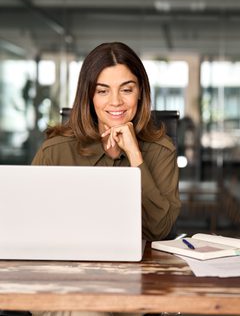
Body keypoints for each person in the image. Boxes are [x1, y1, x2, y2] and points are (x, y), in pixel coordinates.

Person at [31, 41, 181, 242]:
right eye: (103, 91)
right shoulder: (54, 151)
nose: (116, 101)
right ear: (89, 96)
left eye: (126, 90)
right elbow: (30, 222)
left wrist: (135, 156)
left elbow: (158, 230)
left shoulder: (162, 151)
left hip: (140, 269)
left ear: (140, 93)